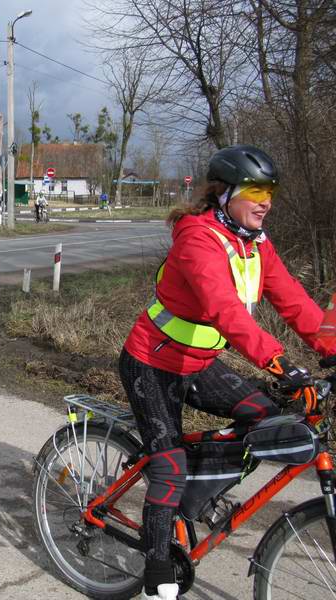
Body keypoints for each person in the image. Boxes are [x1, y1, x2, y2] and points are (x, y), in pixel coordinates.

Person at [118, 145, 331, 600]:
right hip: (152, 363)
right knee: (169, 468)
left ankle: (192, 498)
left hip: (197, 365)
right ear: (225, 194)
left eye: (270, 190)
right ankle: (156, 571)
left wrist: (331, 348)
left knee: (270, 418)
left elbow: (293, 300)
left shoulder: (255, 244)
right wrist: (280, 363)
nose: (265, 200)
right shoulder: (197, 238)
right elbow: (223, 310)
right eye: (255, 190)